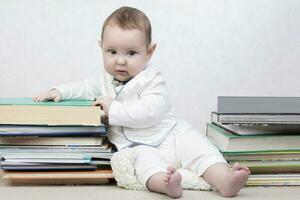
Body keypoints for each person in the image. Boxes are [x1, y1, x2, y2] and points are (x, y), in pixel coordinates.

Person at [33, 6, 250, 198]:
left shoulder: (153, 80)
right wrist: (59, 91)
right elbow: (82, 88)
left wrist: (113, 109)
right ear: (101, 48)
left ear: (149, 52)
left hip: (172, 135)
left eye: (131, 53)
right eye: (112, 51)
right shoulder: (104, 80)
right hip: (138, 145)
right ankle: (167, 185)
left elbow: (150, 113)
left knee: (200, 148)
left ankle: (224, 179)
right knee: (143, 165)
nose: (120, 60)